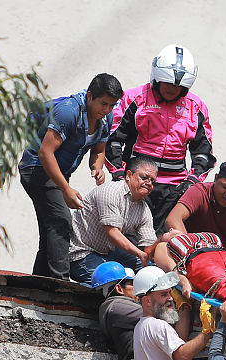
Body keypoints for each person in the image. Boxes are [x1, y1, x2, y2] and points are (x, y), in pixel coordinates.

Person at [19, 73, 123, 280]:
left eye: (112, 105)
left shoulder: (105, 118)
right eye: (103, 104)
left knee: (51, 230)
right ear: (90, 96)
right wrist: (65, 189)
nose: (107, 110)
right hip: (37, 169)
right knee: (62, 222)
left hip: (57, 174)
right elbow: (45, 153)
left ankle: (38, 283)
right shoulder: (68, 112)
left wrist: (97, 167)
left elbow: (99, 150)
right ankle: (61, 281)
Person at [107, 45, 214, 232]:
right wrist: (119, 174)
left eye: (178, 86)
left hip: (176, 188)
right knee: (130, 240)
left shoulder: (196, 106)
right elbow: (113, 139)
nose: (173, 89)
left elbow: (203, 152)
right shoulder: (135, 98)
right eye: (168, 84)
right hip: (136, 183)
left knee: (167, 242)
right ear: (157, 78)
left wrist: (192, 181)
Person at [68, 157, 159, 285]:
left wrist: (163, 243)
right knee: (114, 284)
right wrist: (140, 253)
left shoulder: (143, 209)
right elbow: (113, 234)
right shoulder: (110, 192)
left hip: (109, 253)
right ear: (128, 175)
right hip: (83, 254)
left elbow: (149, 246)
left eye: (152, 181)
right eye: (144, 177)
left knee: (149, 273)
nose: (149, 183)